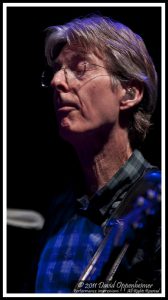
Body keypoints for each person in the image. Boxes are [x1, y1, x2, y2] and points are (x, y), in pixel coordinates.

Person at [35, 14, 161, 293]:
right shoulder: (56, 210)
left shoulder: (160, 202)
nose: (57, 81)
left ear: (129, 93)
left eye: (80, 68)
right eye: (55, 71)